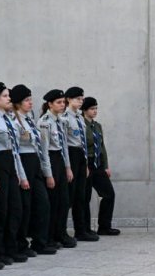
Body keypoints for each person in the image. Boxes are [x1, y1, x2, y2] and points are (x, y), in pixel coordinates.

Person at [0, 83, 29, 264]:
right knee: (1, 210)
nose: (9, 98)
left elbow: (16, 150)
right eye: (4, 96)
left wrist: (20, 174)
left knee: (15, 209)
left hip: (11, 163)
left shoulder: (9, 120)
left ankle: (11, 247)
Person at [11, 84, 56, 255]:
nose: (30, 103)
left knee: (42, 203)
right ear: (17, 102)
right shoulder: (14, 121)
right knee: (25, 206)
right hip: (23, 161)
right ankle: (20, 243)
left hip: (35, 161)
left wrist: (46, 170)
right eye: (26, 100)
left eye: (30, 99)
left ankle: (40, 242)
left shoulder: (30, 118)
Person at [39, 89, 76, 248]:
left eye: (63, 102)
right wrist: (48, 174)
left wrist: (68, 167)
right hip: (51, 161)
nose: (62, 105)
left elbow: (65, 147)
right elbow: (44, 150)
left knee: (64, 200)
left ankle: (62, 233)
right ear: (50, 104)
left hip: (60, 160)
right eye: (59, 102)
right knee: (53, 202)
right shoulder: (44, 122)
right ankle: (51, 235)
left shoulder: (61, 120)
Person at [60, 87, 97, 242]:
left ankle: (81, 230)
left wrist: (86, 163)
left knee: (81, 196)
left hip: (81, 156)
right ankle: (61, 231)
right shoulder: (64, 118)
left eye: (82, 99)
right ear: (68, 100)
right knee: (69, 196)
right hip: (71, 154)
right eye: (77, 99)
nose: (80, 102)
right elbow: (63, 143)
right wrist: (68, 166)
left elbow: (83, 143)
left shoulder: (80, 118)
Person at [82, 97, 118, 236]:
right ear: (84, 110)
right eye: (92, 109)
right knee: (85, 197)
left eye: (96, 108)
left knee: (109, 194)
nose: (95, 111)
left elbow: (102, 147)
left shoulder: (97, 126)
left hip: (98, 164)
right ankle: (85, 229)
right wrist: (84, 165)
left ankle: (104, 226)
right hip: (87, 163)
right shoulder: (81, 125)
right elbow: (82, 147)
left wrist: (106, 165)